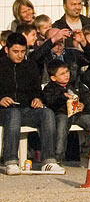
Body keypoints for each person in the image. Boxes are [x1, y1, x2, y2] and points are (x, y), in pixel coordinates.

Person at [0, 33, 64, 174]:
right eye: (15, 52)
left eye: (23, 52)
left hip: (25, 109)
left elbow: (36, 90)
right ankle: (11, 161)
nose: (19, 55)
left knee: (47, 113)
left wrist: (37, 99)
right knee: (13, 113)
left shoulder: (30, 66)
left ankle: (48, 160)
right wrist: (1, 99)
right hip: (4, 111)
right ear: (6, 50)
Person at [41, 61, 90, 167]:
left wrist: (83, 105)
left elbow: (87, 97)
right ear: (53, 78)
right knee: (61, 126)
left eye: (67, 72)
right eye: (62, 74)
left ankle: (87, 153)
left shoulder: (75, 84)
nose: (66, 75)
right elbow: (49, 101)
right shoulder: (50, 88)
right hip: (61, 113)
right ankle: (58, 157)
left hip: (78, 114)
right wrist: (62, 97)